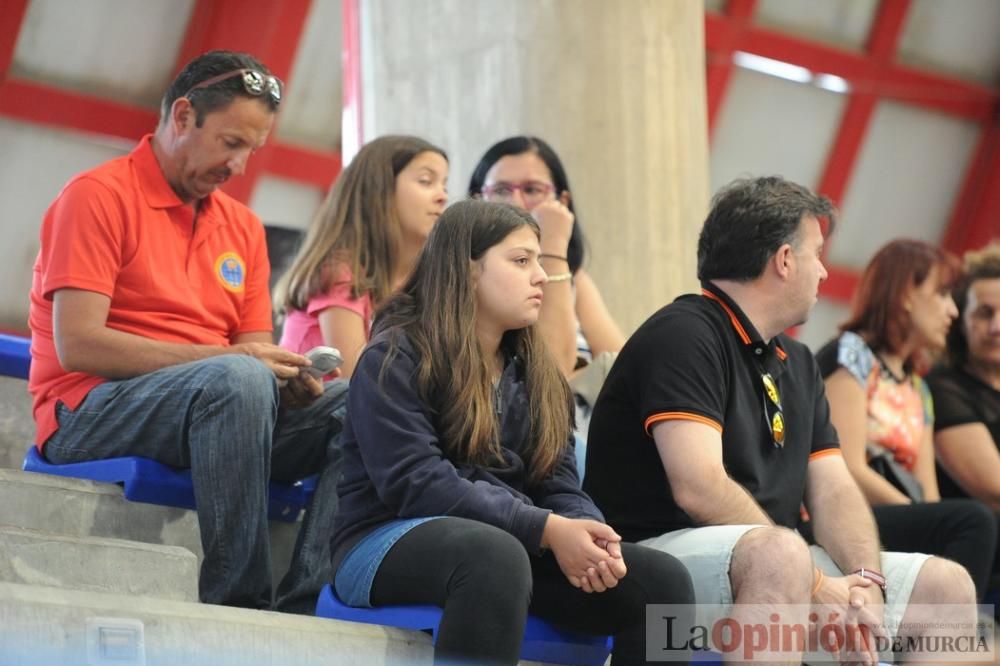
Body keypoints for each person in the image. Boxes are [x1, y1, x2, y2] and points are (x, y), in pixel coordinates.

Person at [584, 177, 977, 663]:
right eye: (817, 254)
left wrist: (866, 584)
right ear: (785, 261)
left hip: (770, 561)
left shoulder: (799, 361)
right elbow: (699, 487)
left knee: (944, 586)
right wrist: (817, 584)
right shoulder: (685, 333)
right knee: (781, 555)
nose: (826, 273)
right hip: (653, 559)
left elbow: (834, 489)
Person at [28, 50, 347, 613]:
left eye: (252, 148)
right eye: (231, 142)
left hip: (219, 407)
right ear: (182, 117)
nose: (241, 165)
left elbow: (250, 355)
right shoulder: (97, 196)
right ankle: (239, 603)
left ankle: (309, 602)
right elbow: (78, 343)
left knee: (361, 402)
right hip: (86, 411)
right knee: (236, 379)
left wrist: (287, 381)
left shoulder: (243, 227)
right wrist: (227, 363)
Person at [330, 200, 695, 666]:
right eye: (521, 261)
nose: (540, 276)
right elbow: (417, 484)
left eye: (539, 262)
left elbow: (557, 483)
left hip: (510, 545)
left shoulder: (539, 374)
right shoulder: (395, 356)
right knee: (493, 555)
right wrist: (544, 528)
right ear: (465, 271)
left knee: (664, 584)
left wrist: (587, 533)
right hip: (383, 538)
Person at [816, 239, 997, 599]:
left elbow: (928, 489)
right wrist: (924, 518)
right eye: (943, 294)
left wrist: (929, 517)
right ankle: (946, 642)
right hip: (844, 516)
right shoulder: (852, 354)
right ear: (907, 295)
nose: (953, 311)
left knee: (964, 521)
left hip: (895, 517)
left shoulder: (918, 387)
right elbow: (848, 466)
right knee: (974, 520)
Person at [468, 137, 625, 461]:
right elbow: (552, 370)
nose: (515, 202)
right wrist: (552, 247)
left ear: (561, 200)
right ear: (476, 199)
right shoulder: (473, 278)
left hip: (579, 425)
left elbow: (622, 367)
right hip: (521, 435)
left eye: (532, 190)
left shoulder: (575, 277)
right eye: (500, 190)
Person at [274, 135, 448, 377]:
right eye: (426, 181)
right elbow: (356, 380)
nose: (442, 196)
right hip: (323, 406)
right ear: (380, 191)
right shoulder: (340, 271)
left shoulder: (428, 280)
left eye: (444, 185)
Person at [928, 243, 1000, 512]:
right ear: (960, 321)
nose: (996, 327)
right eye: (984, 313)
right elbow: (995, 490)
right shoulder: (943, 388)